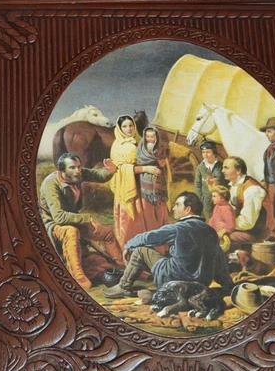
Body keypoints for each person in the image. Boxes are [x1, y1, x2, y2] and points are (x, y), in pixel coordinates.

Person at [103, 191, 234, 298]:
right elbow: (219, 260)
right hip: (200, 284)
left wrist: (129, 245)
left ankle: (123, 287)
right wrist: (227, 285)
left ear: (188, 209)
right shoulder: (211, 232)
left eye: (177, 205)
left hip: (174, 279)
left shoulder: (178, 228)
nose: (173, 208)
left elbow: (149, 237)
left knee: (141, 250)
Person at [39, 153, 122, 289]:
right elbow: (58, 217)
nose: (77, 170)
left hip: (73, 220)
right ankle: (78, 276)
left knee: (106, 232)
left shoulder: (77, 174)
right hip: (54, 224)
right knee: (71, 231)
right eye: (72, 167)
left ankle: (122, 267)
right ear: (62, 170)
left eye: (79, 166)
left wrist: (109, 171)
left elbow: (98, 176)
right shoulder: (51, 184)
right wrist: (87, 218)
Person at [110, 120, 170, 249]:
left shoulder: (140, 141)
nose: (129, 129)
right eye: (124, 126)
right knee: (134, 222)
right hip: (130, 187)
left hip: (148, 187)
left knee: (152, 217)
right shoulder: (117, 145)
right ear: (119, 128)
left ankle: (155, 248)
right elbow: (119, 169)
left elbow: (159, 157)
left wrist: (161, 164)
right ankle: (132, 249)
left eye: (131, 125)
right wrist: (145, 169)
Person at [222, 156, 268, 246]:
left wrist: (225, 225)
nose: (222, 171)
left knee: (224, 238)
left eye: (226, 168)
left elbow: (247, 222)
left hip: (255, 233)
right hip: (240, 228)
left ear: (238, 170)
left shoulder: (252, 189)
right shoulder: (234, 186)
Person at [194, 140, 226, 217]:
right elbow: (197, 184)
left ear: (214, 153)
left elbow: (226, 182)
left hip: (220, 199)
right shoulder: (200, 167)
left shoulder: (221, 166)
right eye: (203, 152)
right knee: (208, 218)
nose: (205, 155)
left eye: (208, 152)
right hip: (207, 200)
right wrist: (201, 198)